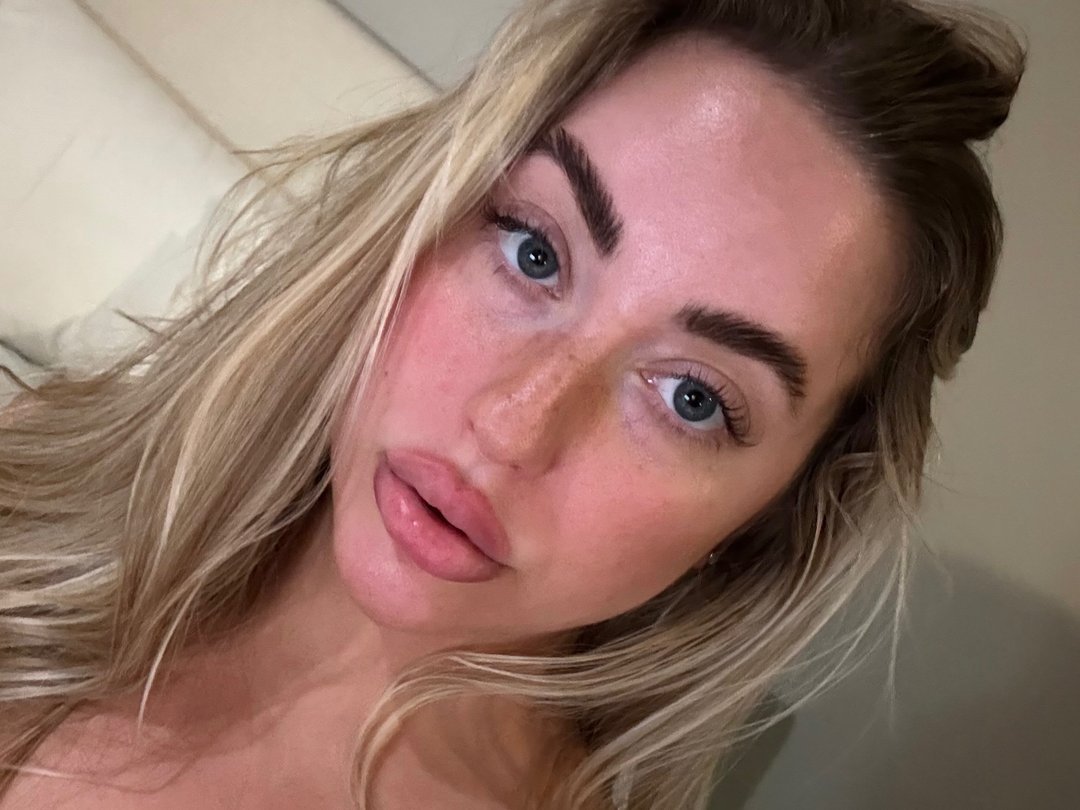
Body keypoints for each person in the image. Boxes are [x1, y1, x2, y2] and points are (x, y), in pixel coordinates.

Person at [0, 0, 1026, 808]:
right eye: (534, 252)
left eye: (691, 397)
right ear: (422, 214)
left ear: (773, 516)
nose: (513, 424)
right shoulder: (38, 481)